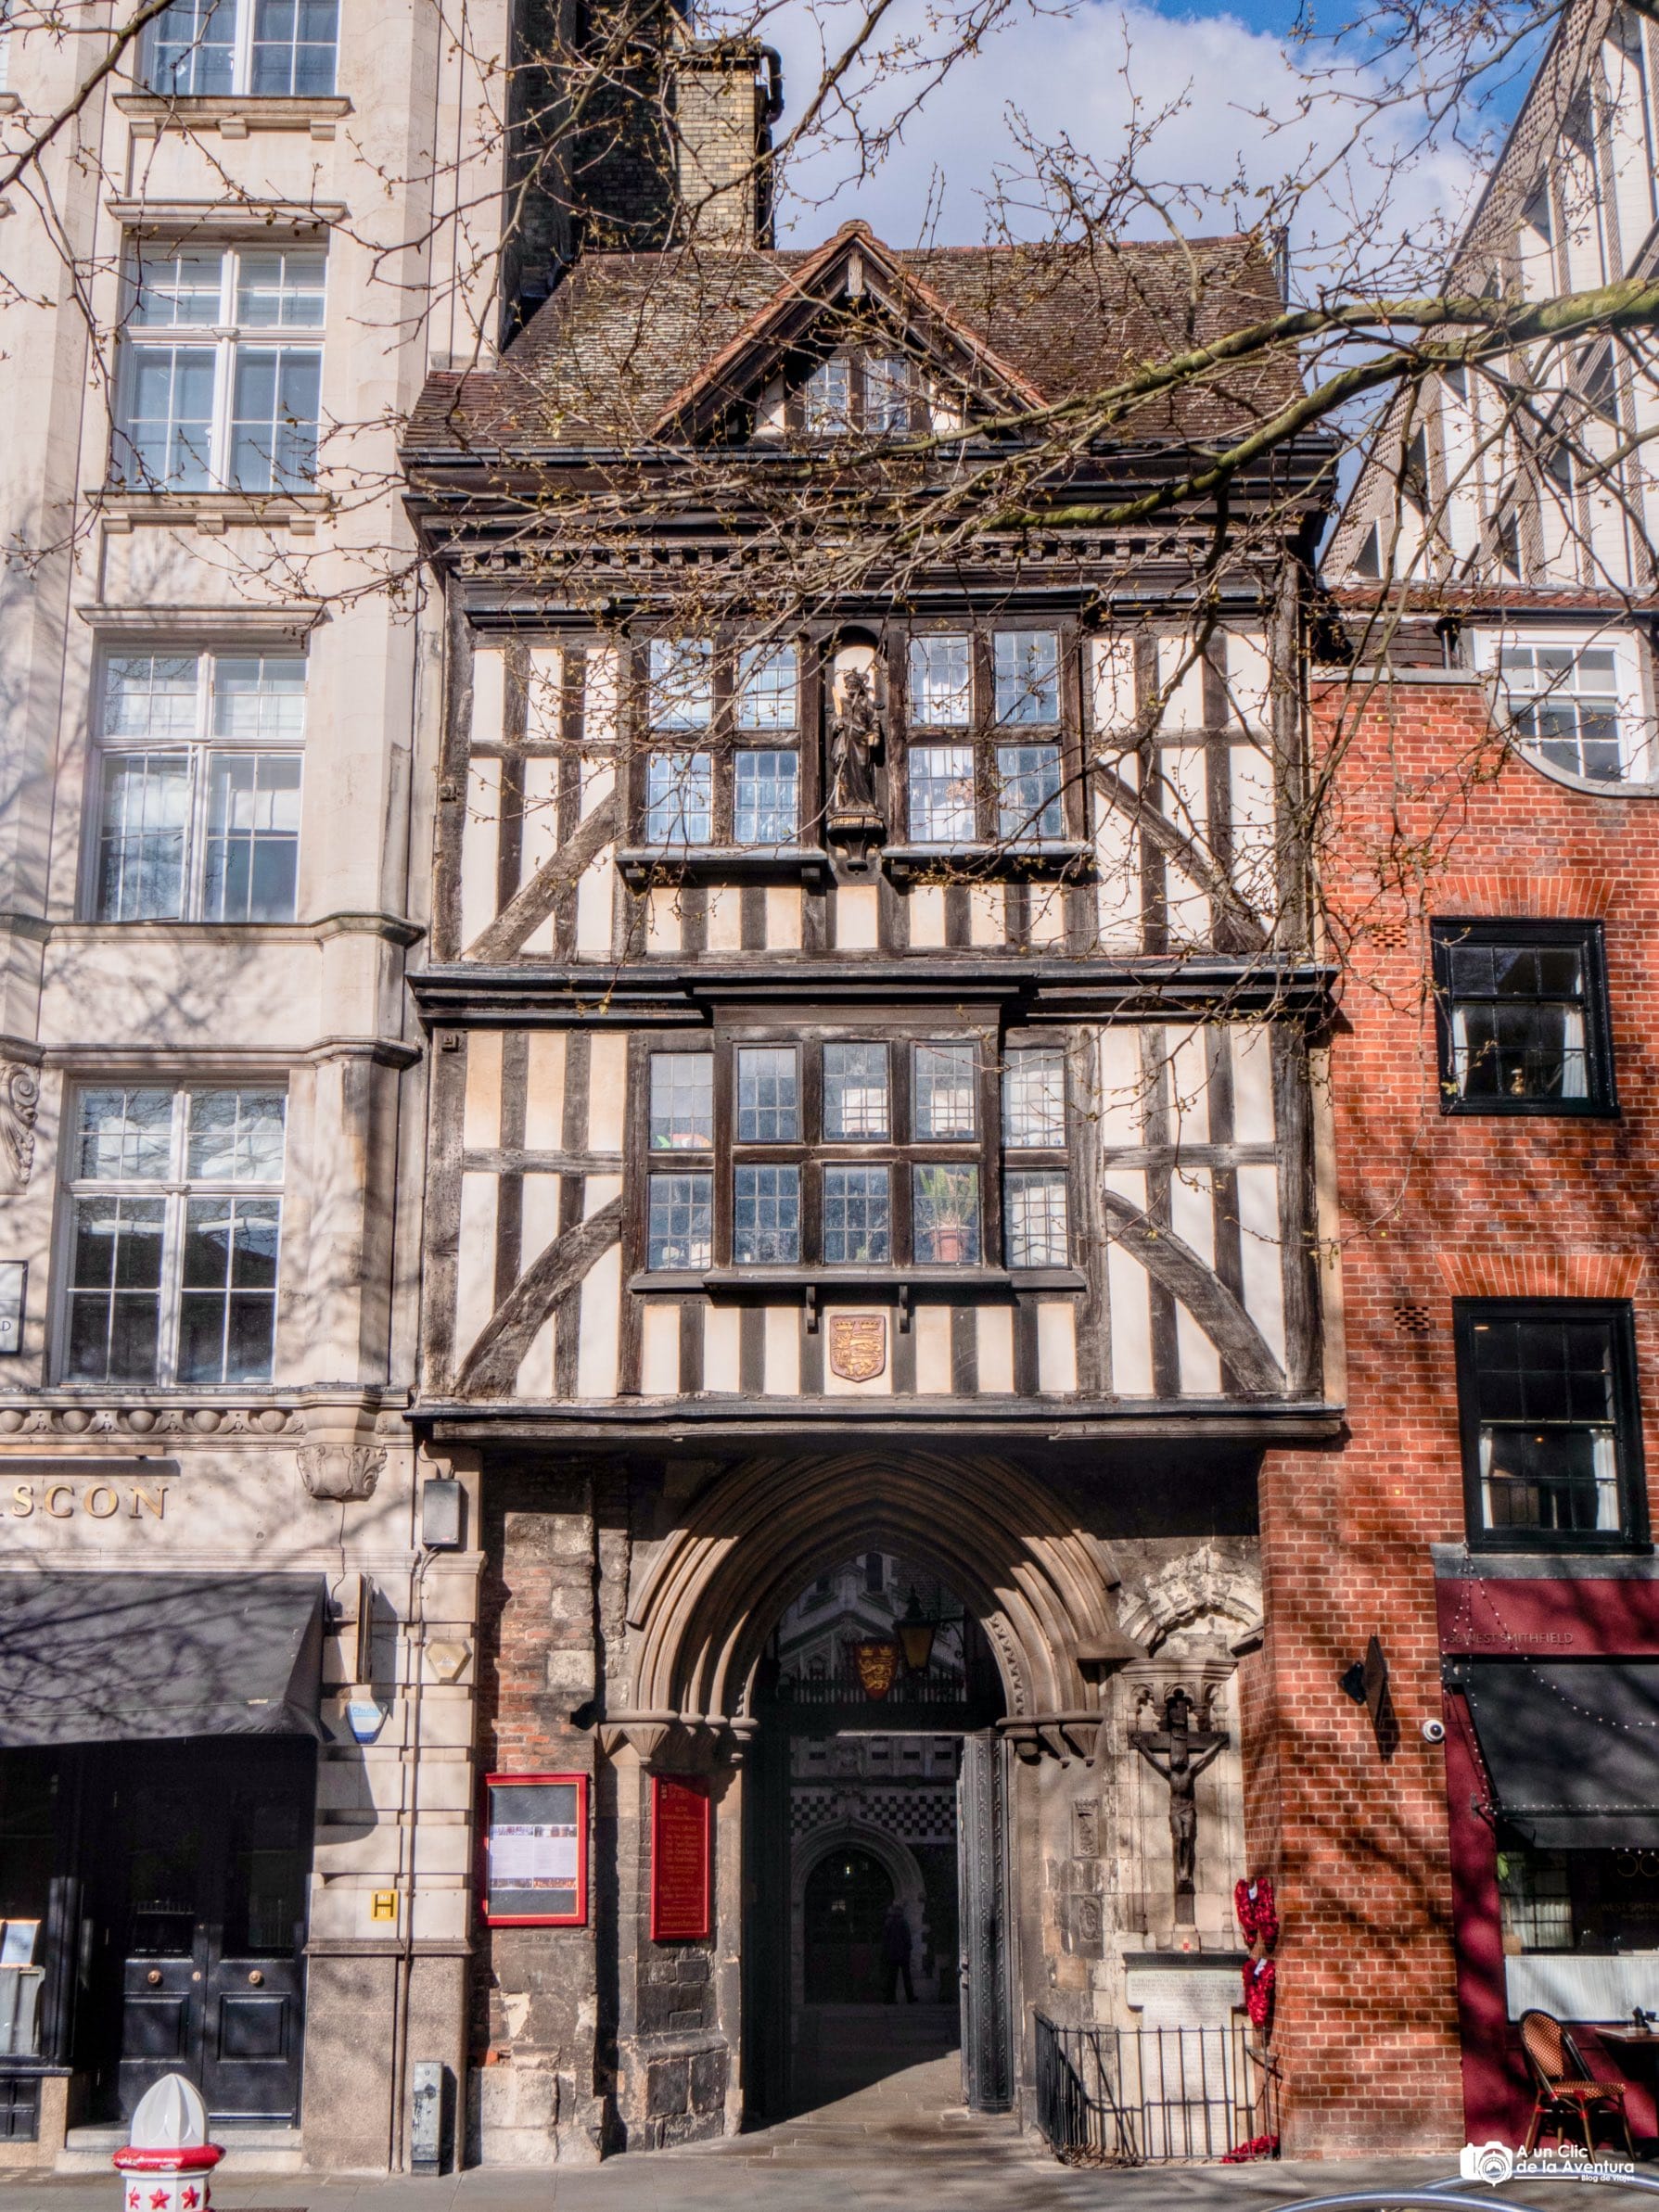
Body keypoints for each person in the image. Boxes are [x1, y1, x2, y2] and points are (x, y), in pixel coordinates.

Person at [881, 1898, 915, 2003]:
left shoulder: (888, 1922)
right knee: (906, 1977)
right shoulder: (903, 1922)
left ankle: (889, 1998)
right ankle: (910, 1997)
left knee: (891, 1977)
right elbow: (907, 1938)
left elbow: (885, 1939)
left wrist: (886, 1951)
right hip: (903, 1953)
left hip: (892, 1953)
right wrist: (909, 1948)